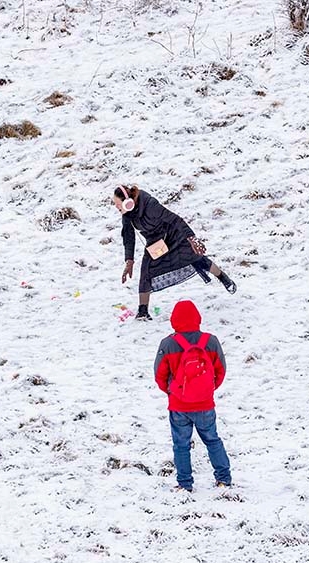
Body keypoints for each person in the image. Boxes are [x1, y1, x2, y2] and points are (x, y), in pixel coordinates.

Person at [114, 185, 236, 321]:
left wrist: (191, 238)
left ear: (128, 202)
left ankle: (223, 278)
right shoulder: (127, 214)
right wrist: (129, 261)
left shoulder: (150, 205)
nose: (116, 207)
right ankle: (143, 311)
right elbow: (128, 237)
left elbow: (175, 220)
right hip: (155, 242)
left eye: (118, 204)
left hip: (174, 235)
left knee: (197, 259)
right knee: (146, 271)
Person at [154, 300, 231, 491]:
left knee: (181, 445)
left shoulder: (168, 343)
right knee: (212, 440)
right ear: (198, 317)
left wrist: (173, 392)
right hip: (205, 404)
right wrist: (207, 390)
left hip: (179, 406)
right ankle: (223, 478)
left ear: (174, 320)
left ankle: (185, 483)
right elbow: (221, 370)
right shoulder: (210, 341)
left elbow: (159, 374)